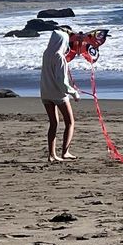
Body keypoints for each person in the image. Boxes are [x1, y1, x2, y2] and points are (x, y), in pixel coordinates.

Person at [40, 27, 81, 163]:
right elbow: (61, 81)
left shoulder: (46, 53)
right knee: (69, 121)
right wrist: (74, 93)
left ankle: (52, 154)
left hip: (45, 92)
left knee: (54, 123)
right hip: (58, 94)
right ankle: (65, 152)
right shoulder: (59, 57)